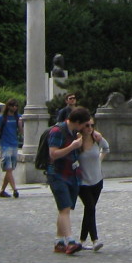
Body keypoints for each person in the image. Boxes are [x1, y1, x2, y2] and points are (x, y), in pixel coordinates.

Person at [47, 106, 92, 254]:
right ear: (78, 122)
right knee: (65, 207)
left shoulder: (75, 133)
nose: (86, 127)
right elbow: (53, 154)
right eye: (85, 124)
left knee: (64, 209)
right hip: (57, 174)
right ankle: (70, 241)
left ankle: (59, 242)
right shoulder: (57, 131)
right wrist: (71, 146)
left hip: (71, 174)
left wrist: (85, 137)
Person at [75, 116, 109, 251]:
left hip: (97, 180)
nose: (89, 128)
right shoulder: (77, 141)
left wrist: (99, 160)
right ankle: (95, 240)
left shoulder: (96, 139)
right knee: (90, 208)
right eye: (87, 125)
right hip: (83, 182)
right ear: (82, 126)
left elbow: (106, 148)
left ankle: (82, 240)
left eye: (91, 125)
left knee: (89, 210)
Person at [0, 99, 23, 198]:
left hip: (14, 144)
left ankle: (2, 190)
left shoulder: (18, 117)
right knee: (8, 168)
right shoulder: (2, 117)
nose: (15, 108)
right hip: (5, 145)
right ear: (8, 106)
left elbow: (21, 132)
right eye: (13, 106)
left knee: (10, 169)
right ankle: (15, 189)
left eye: (16, 106)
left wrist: (20, 125)